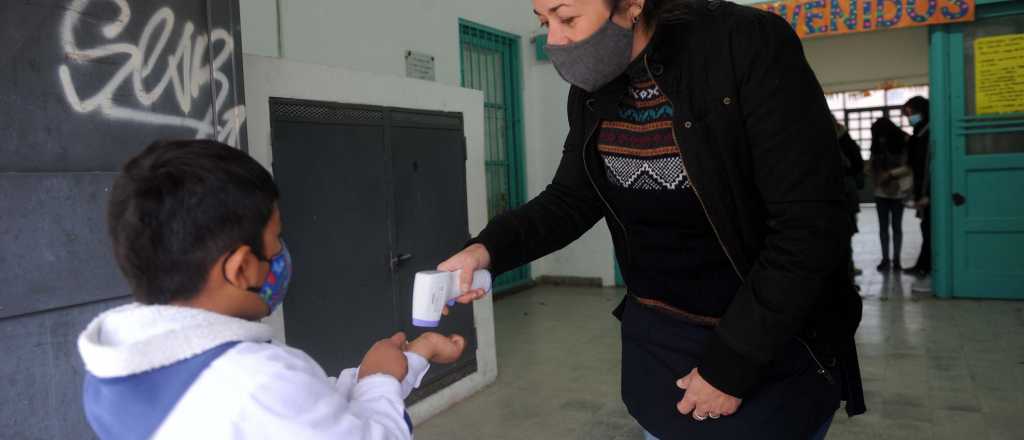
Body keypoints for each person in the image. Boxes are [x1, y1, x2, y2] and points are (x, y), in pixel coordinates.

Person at [441, 0, 865, 438]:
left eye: (566, 18)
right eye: (544, 21)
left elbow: (808, 226)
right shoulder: (594, 85)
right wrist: (487, 250)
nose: (554, 40)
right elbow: (571, 198)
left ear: (633, 5)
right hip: (659, 344)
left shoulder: (744, 45)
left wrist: (732, 364)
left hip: (764, 341)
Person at [78, 140, 466, 440]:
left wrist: (414, 355)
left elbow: (304, 413)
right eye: (276, 238)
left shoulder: (117, 374)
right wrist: (379, 381)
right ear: (242, 268)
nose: (282, 251)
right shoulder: (254, 383)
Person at [869, 117, 913, 272]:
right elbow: (872, 165)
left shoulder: (904, 141)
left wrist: (888, 175)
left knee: (895, 227)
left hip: (897, 191)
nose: (880, 138)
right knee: (885, 227)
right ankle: (887, 259)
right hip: (882, 191)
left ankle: (895, 260)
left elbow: (909, 166)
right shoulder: (877, 144)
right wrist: (875, 177)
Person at [902, 96, 931, 277]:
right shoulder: (919, 134)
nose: (909, 118)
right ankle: (923, 264)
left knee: (929, 230)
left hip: (930, 192)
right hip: (923, 190)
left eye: (910, 113)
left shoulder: (929, 133)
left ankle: (925, 265)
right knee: (926, 228)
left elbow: (929, 167)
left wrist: (929, 194)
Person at [834, 114, 866, 279]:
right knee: (847, 232)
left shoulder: (819, 140)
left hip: (832, 193)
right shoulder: (846, 139)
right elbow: (858, 164)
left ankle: (843, 268)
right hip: (848, 192)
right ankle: (848, 266)